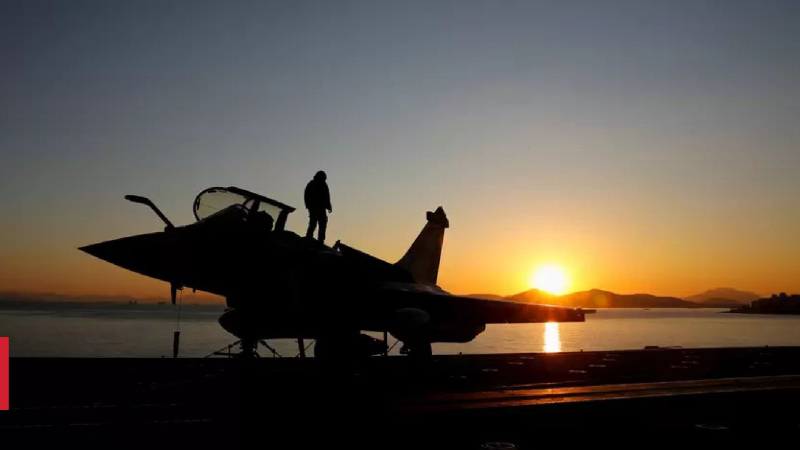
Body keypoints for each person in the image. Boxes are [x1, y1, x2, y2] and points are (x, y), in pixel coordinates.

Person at [304, 170, 332, 243]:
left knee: (322, 223)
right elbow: (307, 194)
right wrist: (308, 205)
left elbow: (326, 196)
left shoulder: (324, 185)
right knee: (313, 222)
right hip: (314, 207)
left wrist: (329, 206)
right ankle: (309, 237)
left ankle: (320, 240)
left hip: (321, 207)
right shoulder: (312, 184)